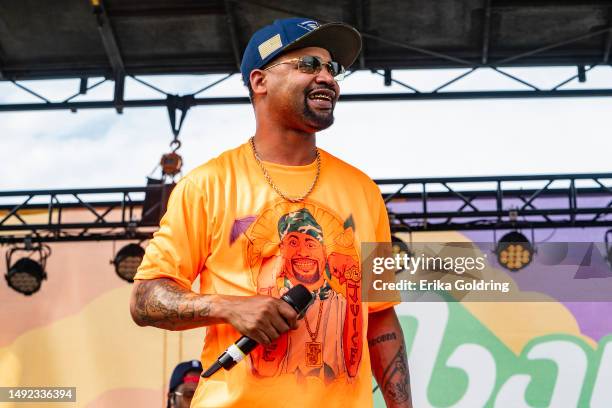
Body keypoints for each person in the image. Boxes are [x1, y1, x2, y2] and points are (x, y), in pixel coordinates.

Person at [130, 17, 412, 408]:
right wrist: (229, 306)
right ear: (260, 81)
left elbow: (380, 317)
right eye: (309, 65)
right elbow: (145, 299)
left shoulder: (364, 191)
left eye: (333, 68)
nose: (327, 78)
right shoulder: (207, 184)